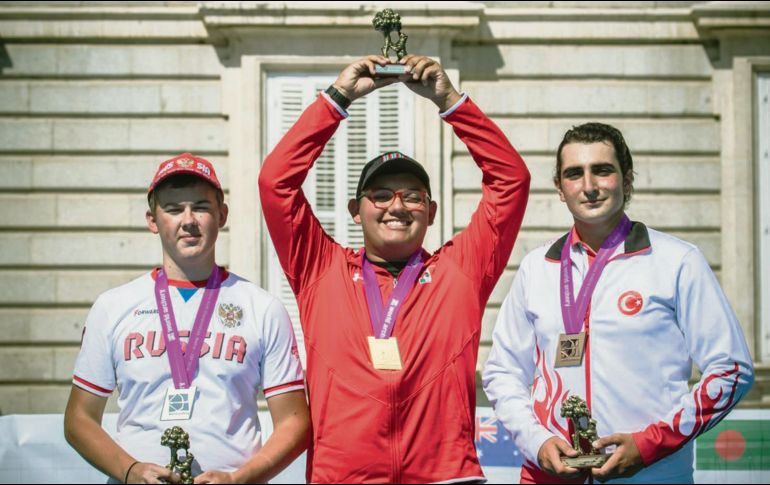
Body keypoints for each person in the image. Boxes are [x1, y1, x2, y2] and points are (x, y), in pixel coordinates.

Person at [258, 54, 531, 483]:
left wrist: (450, 102)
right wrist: (337, 99)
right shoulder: (319, 268)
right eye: (381, 195)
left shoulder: (461, 270)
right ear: (355, 210)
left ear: (431, 210)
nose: (397, 207)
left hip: (446, 477)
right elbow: (276, 182)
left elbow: (511, 180)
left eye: (413, 196)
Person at [482, 122, 754, 483]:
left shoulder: (677, 260)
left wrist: (649, 445)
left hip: (652, 474)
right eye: (574, 174)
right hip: (549, 476)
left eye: (603, 170)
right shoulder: (536, 267)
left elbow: (732, 370)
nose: (590, 186)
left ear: (627, 181)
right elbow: (503, 373)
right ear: (560, 189)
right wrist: (538, 442)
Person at [64, 153, 310, 484]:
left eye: (201, 207)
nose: (189, 219)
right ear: (152, 220)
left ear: (222, 215)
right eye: (174, 209)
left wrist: (239, 478)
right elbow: (79, 418)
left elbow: (295, 421)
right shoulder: (112, 306)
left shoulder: (263, 308)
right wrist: (130, 470)